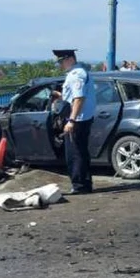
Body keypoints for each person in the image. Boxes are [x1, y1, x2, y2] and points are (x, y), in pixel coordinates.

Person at [49, 49, 97, 195]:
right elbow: (73, 96)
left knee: (75, 154)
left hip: (78, 120)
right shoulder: (78, 73)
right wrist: (59, 95)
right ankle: (83, 183)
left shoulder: (76, 75)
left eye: (61, 61)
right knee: (80, 152)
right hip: (81, 118)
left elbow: (79, 98)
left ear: (69, 59)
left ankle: (80, 185)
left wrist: (71, 120)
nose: (60, 64)